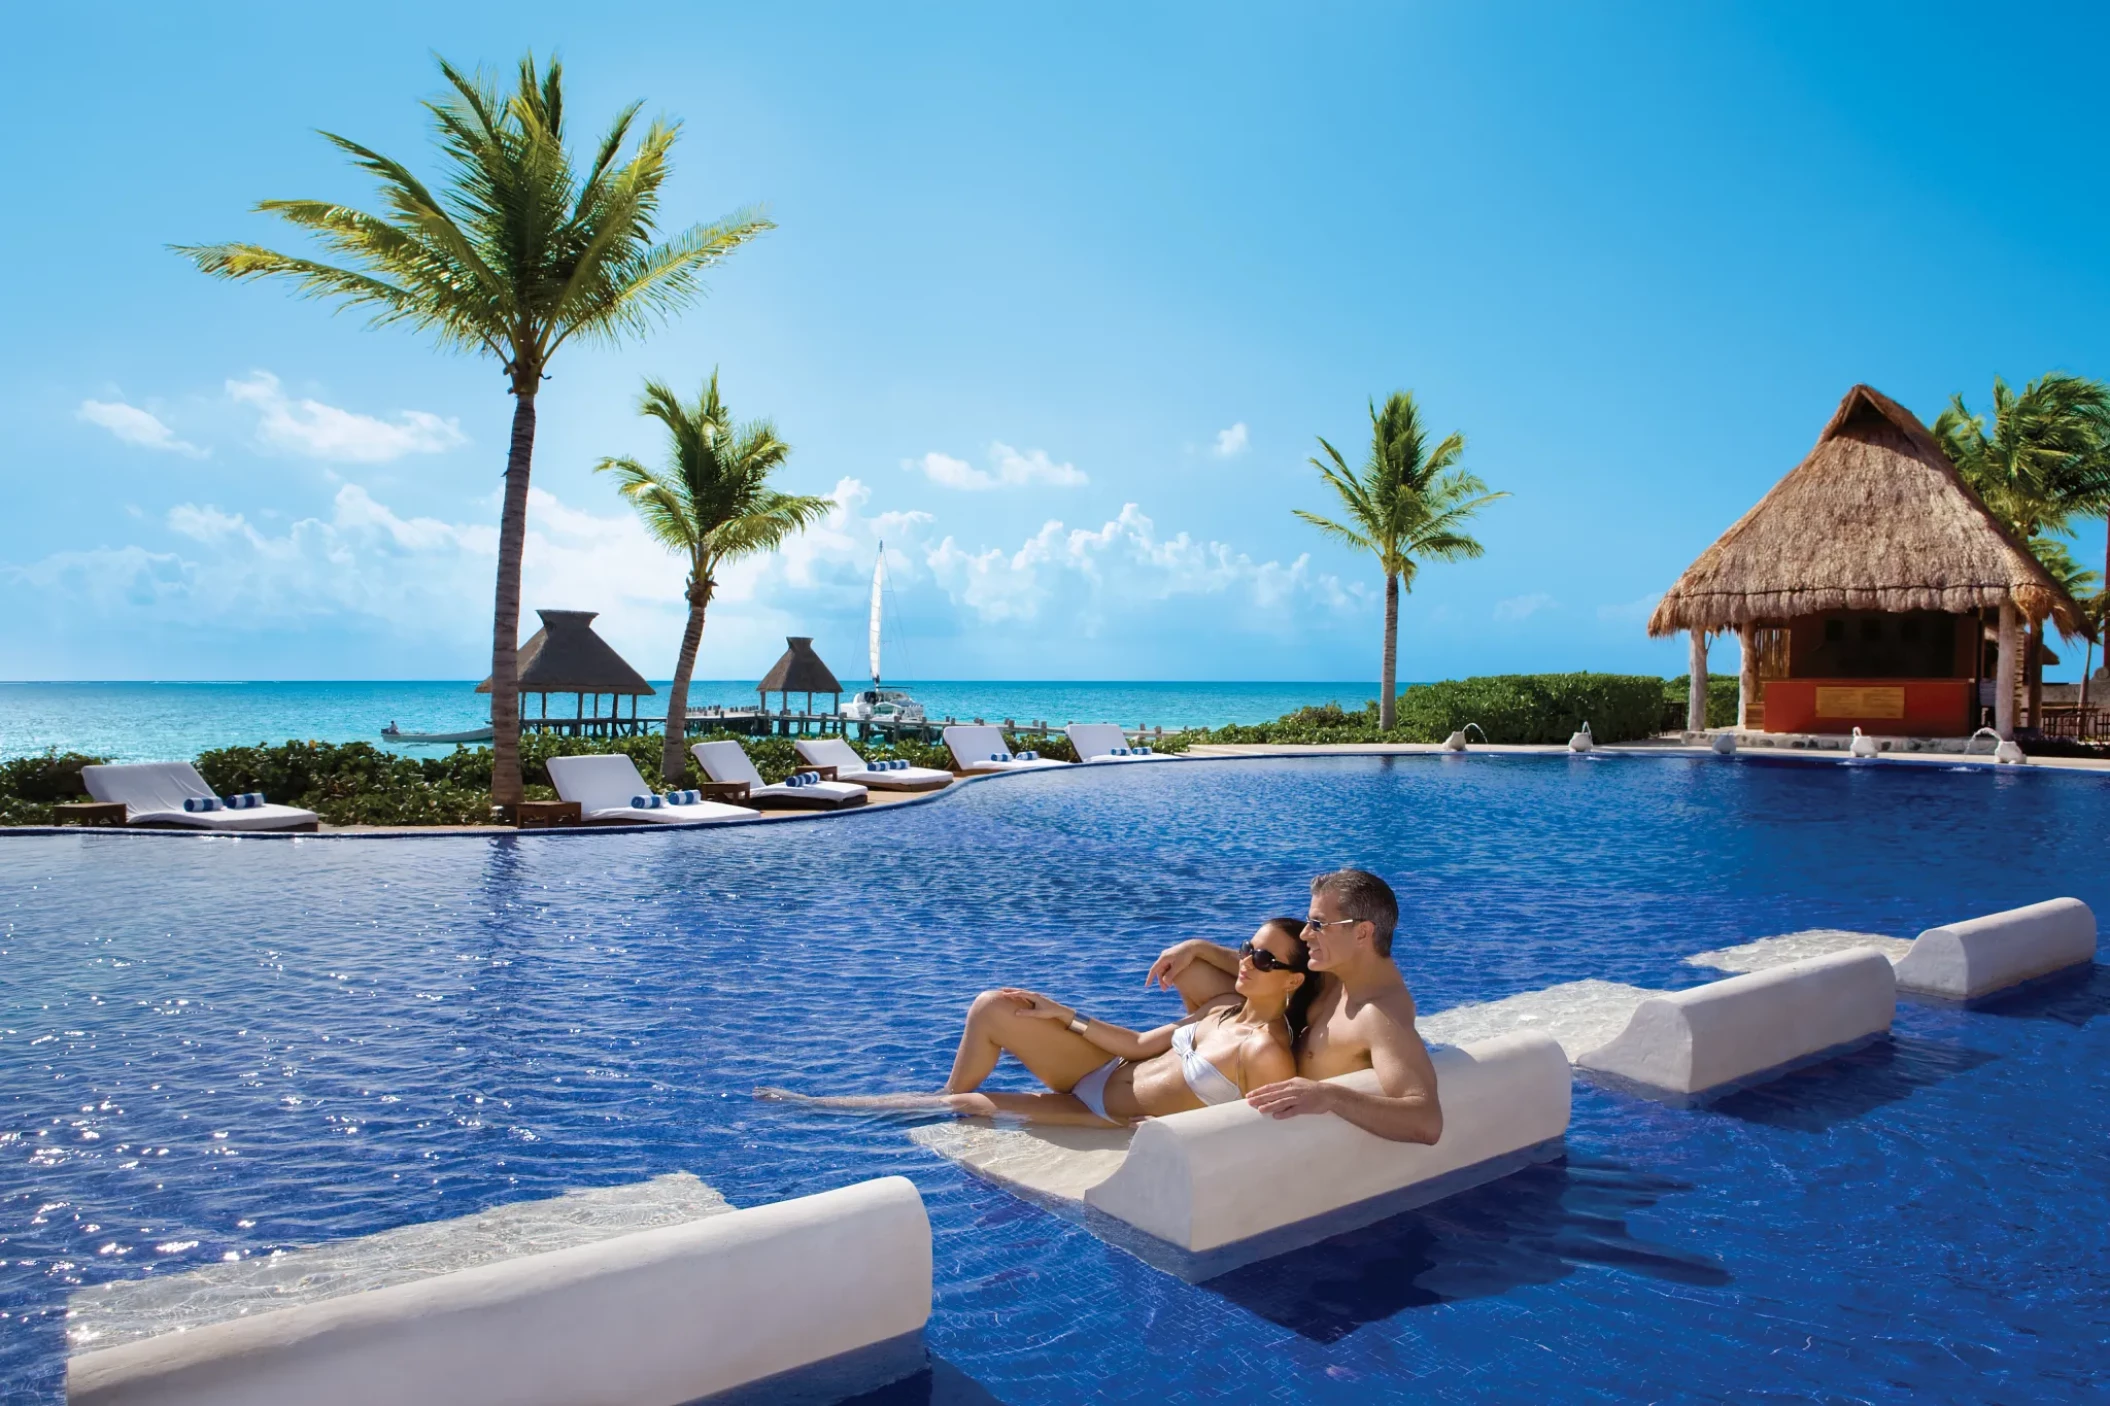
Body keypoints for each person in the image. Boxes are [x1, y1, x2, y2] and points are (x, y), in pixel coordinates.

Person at [757, 919, 1318, 1127]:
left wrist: (1165, 1136)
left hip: (1101, 1112)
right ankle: (939, 1098)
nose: (1245, 961)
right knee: (995, 1006)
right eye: (1248, 949)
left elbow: (1257, 1139)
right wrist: (1060, 1014)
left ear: (1293, 980)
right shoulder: (1222, 1008)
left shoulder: (1265, 1052)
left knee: (969, 1107)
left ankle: (824, 1107)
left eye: (1265, 960)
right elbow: (1138, 1043)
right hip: (1106, 1068)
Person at [1147, 869, 1443, 1144]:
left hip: (1274, 1113)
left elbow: (1426, 1121)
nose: (1304, 934)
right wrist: (1198, 948)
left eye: (1318, 925)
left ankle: (1184, 1090)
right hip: (1256, 1066)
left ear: (1362, 933)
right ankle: (1185, 1071)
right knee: (1191, 969)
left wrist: (1331, 1096)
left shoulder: (1379, 1016)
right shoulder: (1340, 973)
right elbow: (1270, 967)